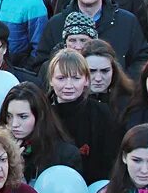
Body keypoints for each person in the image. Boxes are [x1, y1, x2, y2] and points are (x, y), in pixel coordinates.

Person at [45, 49, 119, 183]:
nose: (68, 85)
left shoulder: (102, 113)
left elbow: (110, 161)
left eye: (76, 78)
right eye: (61, 78)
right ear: (51, 80)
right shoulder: (42, 113)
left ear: (86, 80)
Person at [0, 83, 81, 181]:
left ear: (39, 117)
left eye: (23, 116)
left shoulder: (66, 154)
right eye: (9, 116)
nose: (14, 124)